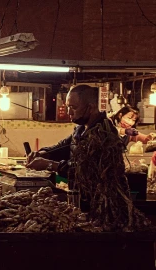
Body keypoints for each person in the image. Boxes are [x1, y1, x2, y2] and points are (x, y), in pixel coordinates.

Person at [27, 85, 133, 223]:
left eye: (74, 108)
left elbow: (85, 172)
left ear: (91, 107)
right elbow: (63, 147)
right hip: (82, 202)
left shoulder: (103, 135)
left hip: (104, 209)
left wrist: (49, 165)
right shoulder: (81, 129)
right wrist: (43, 153)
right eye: (68, 107)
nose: (69, 112)